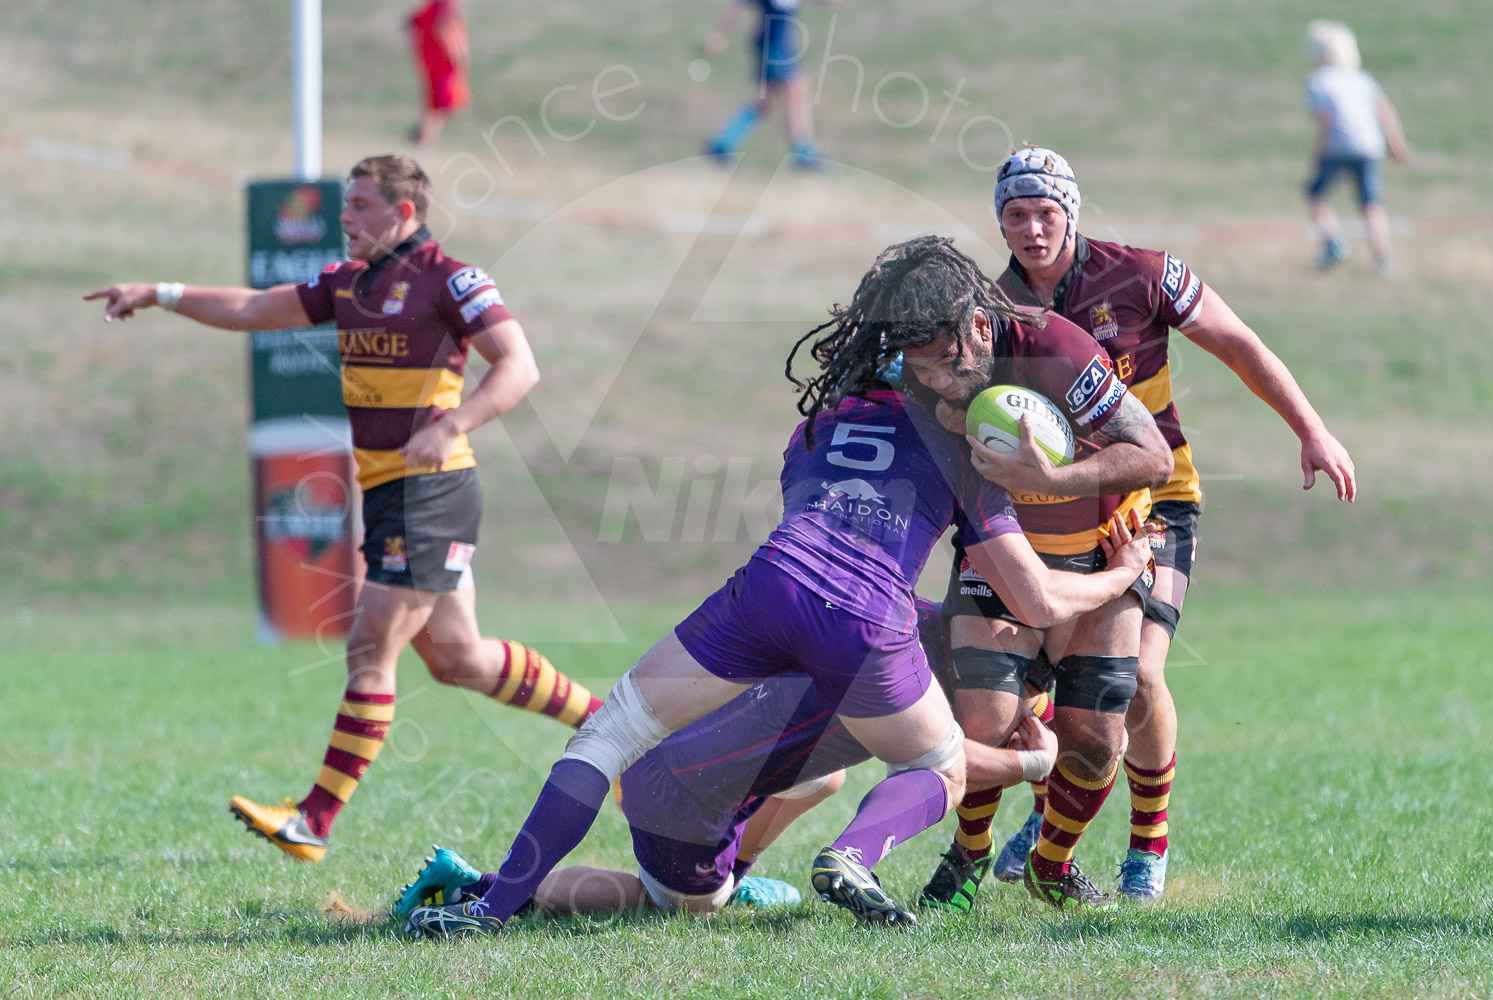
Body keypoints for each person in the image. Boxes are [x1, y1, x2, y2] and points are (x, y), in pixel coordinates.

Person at [402, 235, 1154, 937]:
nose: (940, 379)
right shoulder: (968, 456)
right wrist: (1120, 574)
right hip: (862, 620)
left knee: (610, 734)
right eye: (930, 366)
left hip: (767, 587)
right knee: (934, 765)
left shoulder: (818, 425)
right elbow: (1036, 604)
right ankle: (851, 856)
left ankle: (490, 904)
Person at [84, 154, 603, 863]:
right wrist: (160, 291)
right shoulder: (348, 283)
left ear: (404, 214)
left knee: (370, 648)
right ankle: (608, 727)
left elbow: (518, 364)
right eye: (345, 204)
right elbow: (253, 309)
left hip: (433, 491)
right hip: (391, 493)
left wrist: (455, 423)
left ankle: (314, 821)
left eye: (360, 205)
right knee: (459, 658)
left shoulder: (452, 279)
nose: (345, 217)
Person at [978, 145, 1356, 901]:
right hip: (1053, 516)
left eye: (1045, 211)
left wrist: (1310, 428)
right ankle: (1057, 813)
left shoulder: (1142, 275)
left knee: (1140, 675)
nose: (1031, 228)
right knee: (1034, 690)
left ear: (1071, 212)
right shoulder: (990, 307)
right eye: (1015, 214)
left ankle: (1146, 845)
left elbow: (1238, 342)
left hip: (1157, 502)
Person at [391, 602, 1059, 925]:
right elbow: (950, 760)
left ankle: (735, 872)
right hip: (680, 799)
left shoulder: (898, 613)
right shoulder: (925, 685)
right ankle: (475, 887)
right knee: (679, 907)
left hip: (670, 744)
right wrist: (1032, 762)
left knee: (823, 776)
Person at [863, 236, 1172, 912]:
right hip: (1001, 550)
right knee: (983, 728)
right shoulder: (914, 365)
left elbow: (1153, 457)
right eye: (926, 369)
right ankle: (971, 851)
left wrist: (1056, 477)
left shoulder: (1056, 350)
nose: (941, 379)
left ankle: (1051, 864)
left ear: (980, 325)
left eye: (949, 364)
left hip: (1100, 542)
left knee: (1094, 741)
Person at [1304, 19, 1410, 275]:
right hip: (1370, 145)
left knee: (1315, 194)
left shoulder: (1319, 80)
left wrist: (1320, 151)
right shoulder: (1361, 78)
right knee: (1371, 203)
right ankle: (1382, 258)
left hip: (1338, 145)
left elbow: (1327, 120)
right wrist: (1396, 143)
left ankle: (1332, 243)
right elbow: (1383, 109)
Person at [702, 0, 835, 170]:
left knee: (766, 101)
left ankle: (721, 145)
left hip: (781, 46)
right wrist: (720, 34)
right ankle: (804, 153)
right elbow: (738, 5)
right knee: (797, 89)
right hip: (772, 45)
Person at [409, 0, 471, 147]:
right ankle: (423, 138)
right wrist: (460, 55)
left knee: (438, 107)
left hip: (430, 61)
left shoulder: (431, 6)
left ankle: (422, 135)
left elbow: (411, 24)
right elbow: (449, 26)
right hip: (443, 63)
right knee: (443, 105)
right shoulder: (446, 5)